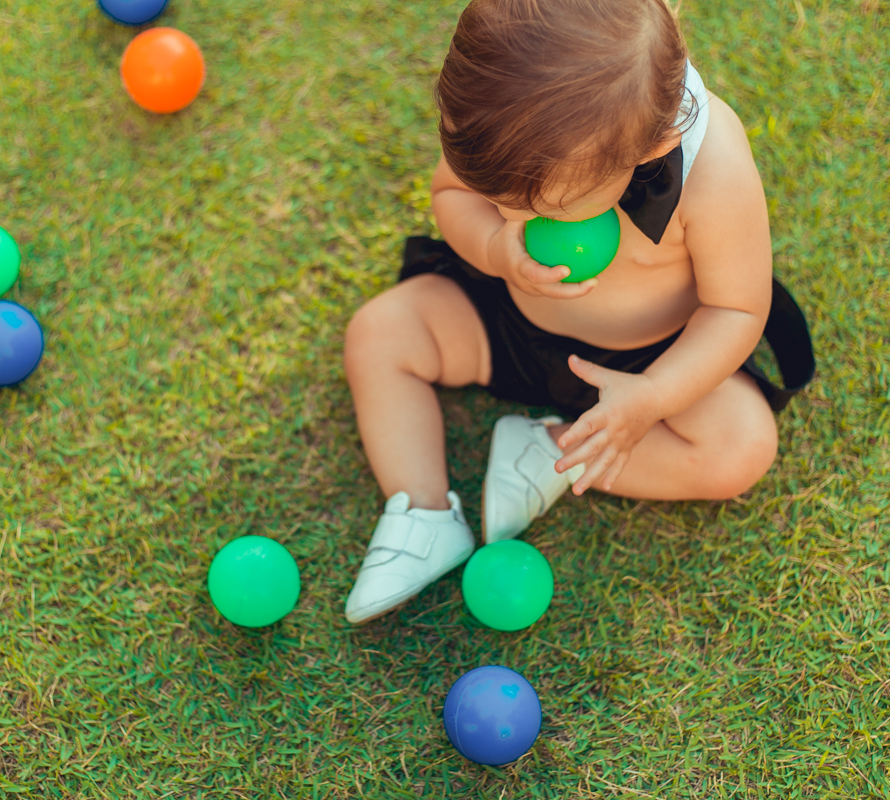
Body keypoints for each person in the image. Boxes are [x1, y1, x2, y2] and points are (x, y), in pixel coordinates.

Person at [342, 0, 814, 625]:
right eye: (502, 201)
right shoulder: (505, 121)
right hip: (506, 317)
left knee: (741, 449)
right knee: (379, 333)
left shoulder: (713, 169)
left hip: (651, 356)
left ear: (653, 148)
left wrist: (652, 395)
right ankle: (424, 512)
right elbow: (451, 194)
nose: (514, 217)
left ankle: (553, 451)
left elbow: (735, 310)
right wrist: (493, 247)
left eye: (540, 207)